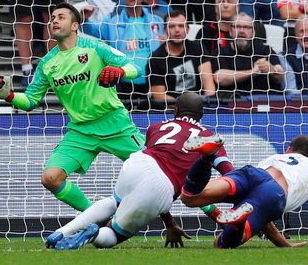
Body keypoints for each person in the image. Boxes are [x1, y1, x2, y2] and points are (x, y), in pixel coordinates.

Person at [0, 3, 145, 212]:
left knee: (159, 169)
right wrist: (8, 96)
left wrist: (119, 72)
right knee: (50, 177)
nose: (54, 20)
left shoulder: (94, 46)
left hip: (115, 123)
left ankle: (206, 207)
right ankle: (97, 216)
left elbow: (136, 67)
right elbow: (31, 100)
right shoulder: (47, 63)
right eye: (52, 17)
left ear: (75, 25)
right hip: (80, 131)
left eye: (61, 17)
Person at [46, 93, 234, 250]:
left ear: (175, 110)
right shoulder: (210, 138)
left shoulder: (157, 128)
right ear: (202, 115)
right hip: (163, 184)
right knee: (114, 234)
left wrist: (170, 223)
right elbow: (230, 174)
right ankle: (94, 235)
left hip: (137, 162)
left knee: (114, 202)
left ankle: (60, 233)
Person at [180, 135, 308, 248]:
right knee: (221, 243)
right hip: (274, 194)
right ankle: (238, 223)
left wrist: (284, 244)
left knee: (189, 198)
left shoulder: (276, 157)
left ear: (289, 150)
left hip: (252, 174)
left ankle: (207, 157)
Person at [82, 0, 165, 99]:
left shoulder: (157, 20)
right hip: (122, 83)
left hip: (153, 83)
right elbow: (88, 28)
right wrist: (84, 18)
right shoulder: (112, 22)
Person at [146, 10, 216, 102]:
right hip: (170, 110)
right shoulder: (155, 59)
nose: (177, 30)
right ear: (165, 30)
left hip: (200, 106)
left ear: (187, 29)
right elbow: (159, 96)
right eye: (172, 26)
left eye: (181, 26)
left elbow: (209, 88)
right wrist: (184, 107)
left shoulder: (198, 49)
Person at [214, 12, 285, 97]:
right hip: (233, 104)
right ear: (230, 31)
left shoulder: (265, 50)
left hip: (265, 102)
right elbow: (220, 78)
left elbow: (281, 74)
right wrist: (252, 72)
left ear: (253, 32)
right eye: (237, 27)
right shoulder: (221, 52)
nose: (241, 31)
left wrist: (272, 69)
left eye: (246, 27)